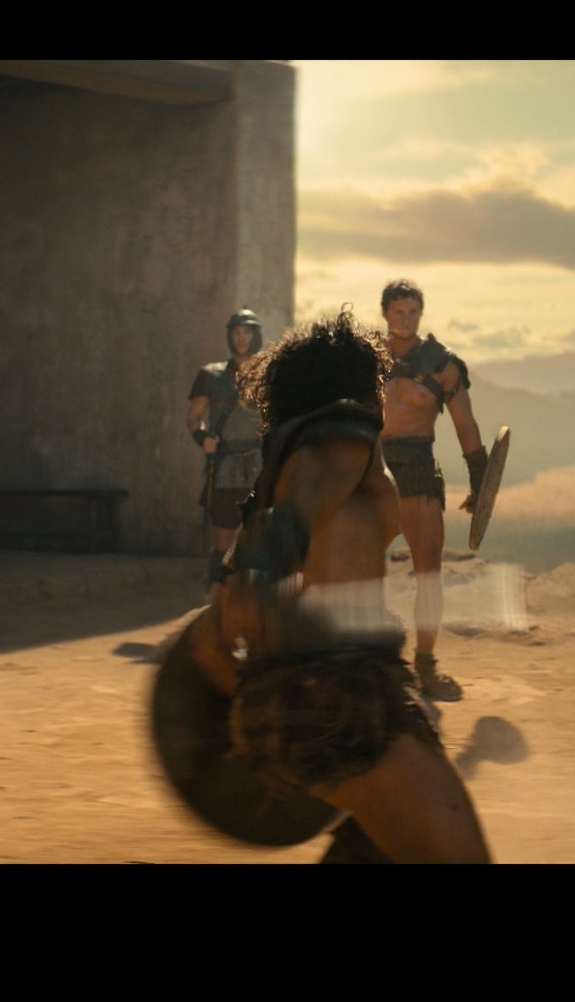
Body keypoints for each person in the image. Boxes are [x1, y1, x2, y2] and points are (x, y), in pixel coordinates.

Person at [180, 311, 492, 862]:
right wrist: (266, 566)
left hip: (311, 690)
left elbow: (225, 602)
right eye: (378, 383)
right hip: (340, 701)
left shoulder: (281, 462)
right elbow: (311, 491)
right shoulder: (345, 439)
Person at [377, 280, 487, 702]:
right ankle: (370, 662)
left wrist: (479, 481)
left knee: (428, 574)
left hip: (419, 470)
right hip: (372, 472)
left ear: (420, 315)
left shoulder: (442, 365)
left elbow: (465, 424)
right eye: (398, 312)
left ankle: (425, 665)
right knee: (360, 570)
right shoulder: (367, 359)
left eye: (412, 312)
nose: (405, 319)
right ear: (386, 314)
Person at [187, 309, 264, 597]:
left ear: (256, 336)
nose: (241, 338)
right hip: (226, 464)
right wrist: (202, 438)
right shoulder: (212, 375)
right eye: (236, 333)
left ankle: (252, 601)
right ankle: (218, 600)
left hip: (260, 465)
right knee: (224, 538)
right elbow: (194, 417)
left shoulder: (268, 374)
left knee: (258, 536)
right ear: (229, 337)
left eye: (247, 332)